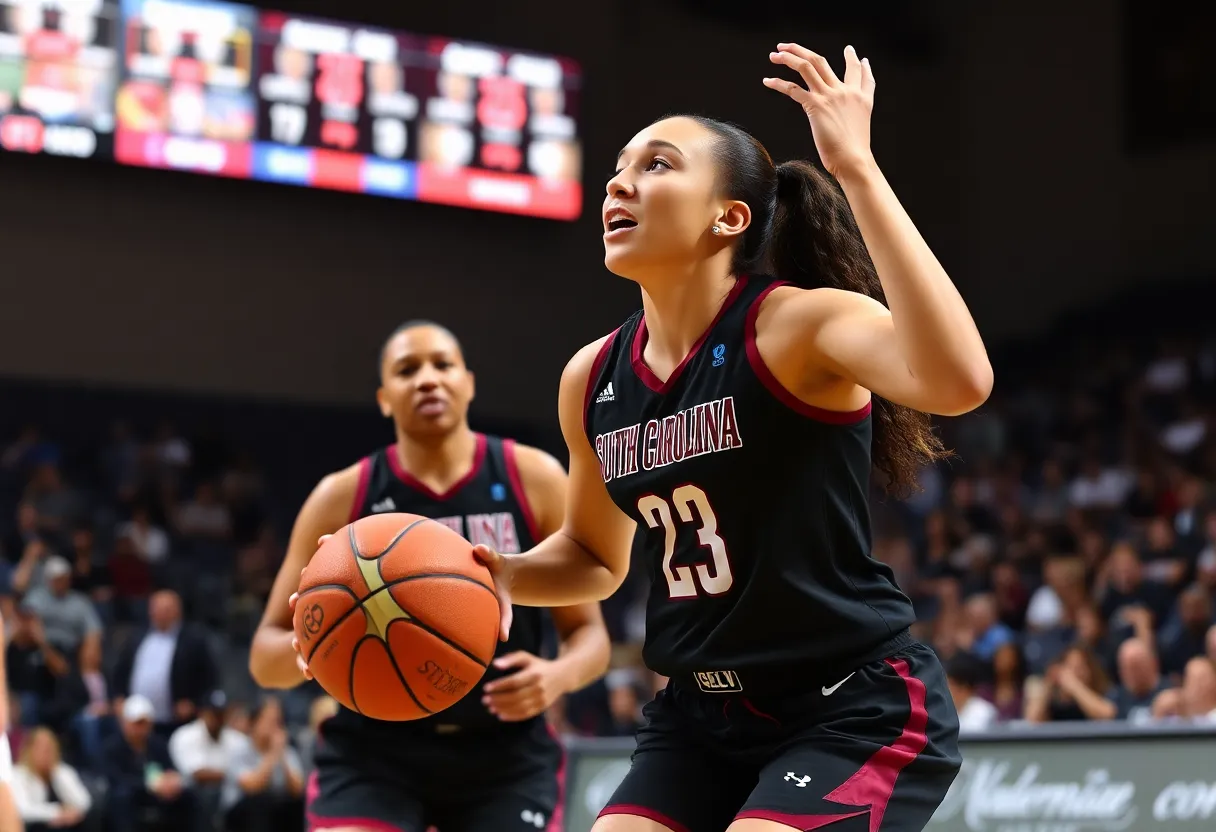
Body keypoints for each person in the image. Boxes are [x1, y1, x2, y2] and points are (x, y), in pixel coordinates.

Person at [468, 42, 992, 831]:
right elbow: (594, 558)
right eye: (618, 168)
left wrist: (858, 170)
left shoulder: (795, 326)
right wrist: (503, 574)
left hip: (849, 705)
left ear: (729, 216)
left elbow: (959, 380)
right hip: (698, 720)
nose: (619, 182)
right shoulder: (592, 376)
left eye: (657, 165)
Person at [250, 321, 611, 832]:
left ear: (468, 383)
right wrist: (315, 640)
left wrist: (558, 676)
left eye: (443, 365)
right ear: (383, 399)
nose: (427, 379)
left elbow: (590, 636)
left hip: (504, 754)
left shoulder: (533, 478)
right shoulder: (341, 496)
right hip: (374, 754)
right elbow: (264, 659)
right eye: (407, 370)